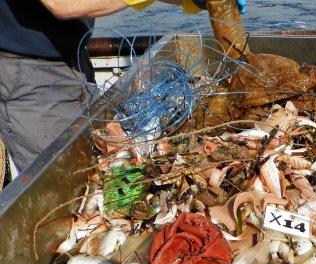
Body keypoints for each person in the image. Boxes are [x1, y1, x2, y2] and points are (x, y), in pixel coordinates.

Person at [0, 0, 245, 183]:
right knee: (67, 183)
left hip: (73, 61)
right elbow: (63, 4)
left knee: (104, 161)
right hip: (28, 75)